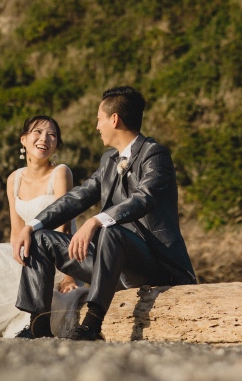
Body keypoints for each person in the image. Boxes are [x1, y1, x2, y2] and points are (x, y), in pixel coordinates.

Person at [12, 85, 197, 340]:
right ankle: (38, 325)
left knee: (110, 231)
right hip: (110, 264)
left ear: (114, 119)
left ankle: (92, 324)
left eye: (99, 119)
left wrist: (96, 220)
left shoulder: (155, 154)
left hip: (155, 265)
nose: (97, 126)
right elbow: (77, 197)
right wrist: (32, 226)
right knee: (41, 239)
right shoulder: (109, 160)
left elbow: (144, 198)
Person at [0, 115, 86, 337]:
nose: (44, 139)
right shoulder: (14, 179)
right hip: (27, 255)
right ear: (23, 140)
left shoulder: (61, 173)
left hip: (58, 259)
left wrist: (68, 276)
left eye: (52, 135)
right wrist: (17, 260)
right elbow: (16, 231)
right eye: (37, 132)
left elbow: (64, 229)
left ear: (57, 144)